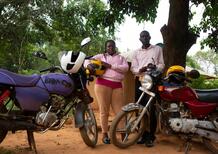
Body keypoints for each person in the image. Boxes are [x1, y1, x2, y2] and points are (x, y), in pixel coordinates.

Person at [85, 40, 129, 144]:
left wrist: (110, 66)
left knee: (120, 112)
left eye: (112, 46)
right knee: (104, 111)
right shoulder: (101, 56)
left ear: (115, 47)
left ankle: (123, 134)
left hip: (117, 85)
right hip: (102, 85)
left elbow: (125, 68)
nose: (110, 48)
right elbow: (86, 60)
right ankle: (105, 134)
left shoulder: (121, 58)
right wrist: (89, 66)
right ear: (106, 48)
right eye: (108, 46)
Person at [131, 30, 165, 147]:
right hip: (140, 81)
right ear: (139, 39)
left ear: (150, 37)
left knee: (151, 108)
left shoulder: (157, 49)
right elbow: (133, 68)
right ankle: (142, 134)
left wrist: (155, 67)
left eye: (146, 36)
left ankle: (151, 136)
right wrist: (140, 70)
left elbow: (162, 65)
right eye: (142, 36)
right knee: (140, 107)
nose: (145, 38)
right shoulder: (136, 52)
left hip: (152, 81)